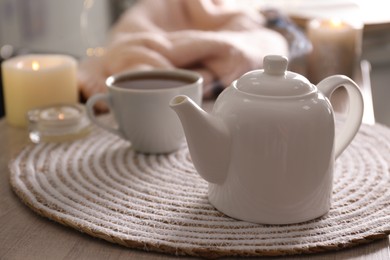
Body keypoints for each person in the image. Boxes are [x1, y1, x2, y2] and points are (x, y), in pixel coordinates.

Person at [78, 0, 289, 111]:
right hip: (149, 41)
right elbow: (128, 38)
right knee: (129, 51)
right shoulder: (156, 7)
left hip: (224, 40)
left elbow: (255, 38)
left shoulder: (241, 14)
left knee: (268, 43)